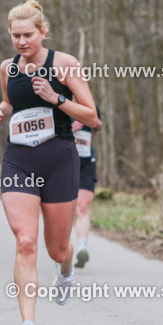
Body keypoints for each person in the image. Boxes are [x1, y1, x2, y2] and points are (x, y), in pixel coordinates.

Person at [0, 0, 98, 325]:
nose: (21, 41)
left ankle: (65, 269)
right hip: (18, 159)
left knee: (57, 249)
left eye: (28, 35)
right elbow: (10, 103)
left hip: (60, 159)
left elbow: (91, 115)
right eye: (15, 35)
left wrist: (56, 98)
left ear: (42, 32)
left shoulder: (64, 64)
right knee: (25, 242)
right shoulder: (7, 68)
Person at [72, 108, 102, 268]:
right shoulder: (59, 100)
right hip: (66, 161)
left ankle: (82, 248)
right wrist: (71, 129)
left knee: (83, 206)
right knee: (65, 208)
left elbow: (94, 131)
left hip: (86, 163)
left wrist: (96, 126)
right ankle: (61, 250)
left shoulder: (92, 107)